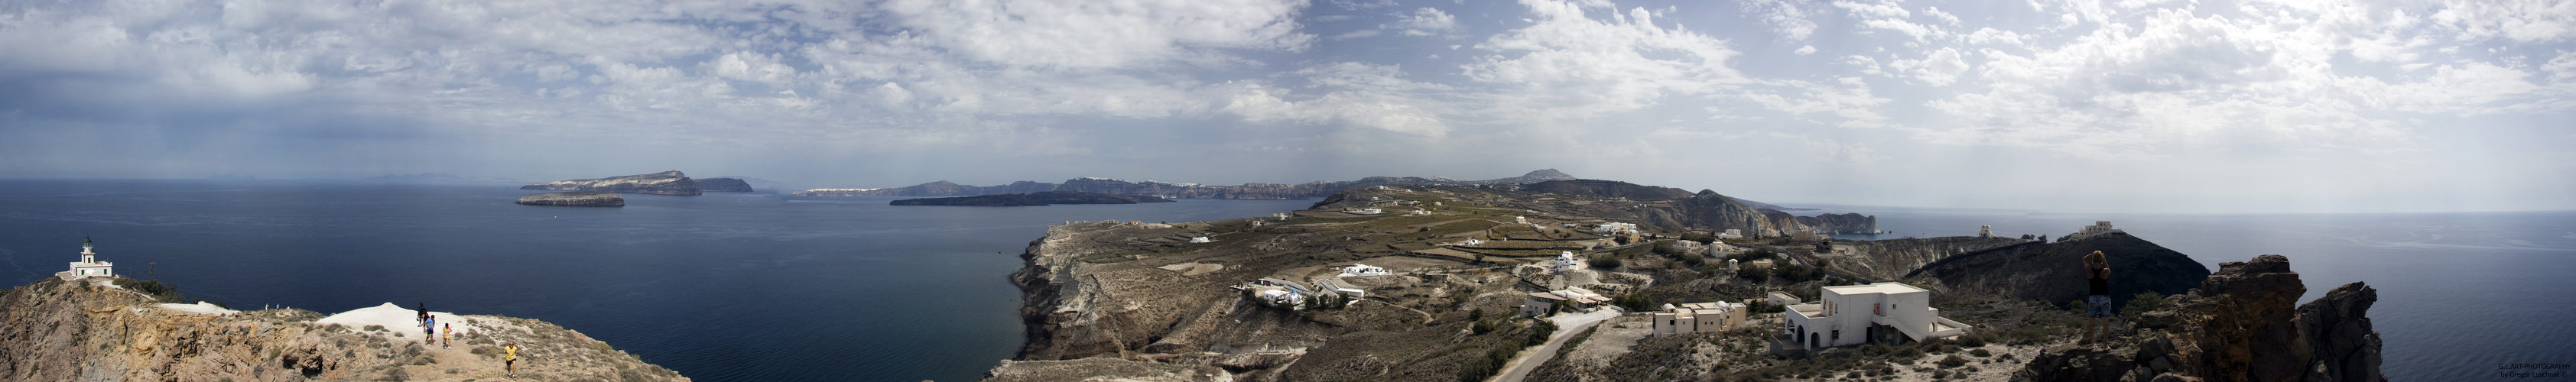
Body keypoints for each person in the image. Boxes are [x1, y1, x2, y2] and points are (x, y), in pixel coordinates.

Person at [2081, 251, 2113, 345]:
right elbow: (2109, 269)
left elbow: (2084, 259)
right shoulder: (2105, 271)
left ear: (2094, 260)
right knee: (2105, 322)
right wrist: (2104, 259)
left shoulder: (2089, 270)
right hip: (2104, 298)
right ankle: (2105, 345)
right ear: (2101, 260)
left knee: (2091, 321)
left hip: (2093, 298)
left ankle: (2092, 343)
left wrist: (2092, 255)